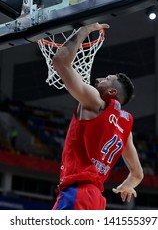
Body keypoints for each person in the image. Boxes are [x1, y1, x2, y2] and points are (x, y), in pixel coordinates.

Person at [52, 22, 143, 210]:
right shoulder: (126, 126)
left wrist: (85, 29)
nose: (98, 79)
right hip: (95, 200)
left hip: (78, 193)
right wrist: (127, 185)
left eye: (106, 79)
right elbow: (137, 174)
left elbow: (60, 61)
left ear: (111, 92)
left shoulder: (96, 102)